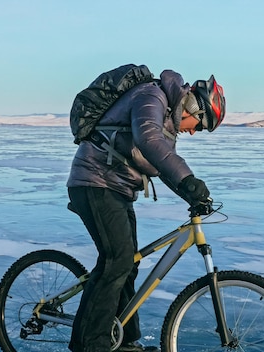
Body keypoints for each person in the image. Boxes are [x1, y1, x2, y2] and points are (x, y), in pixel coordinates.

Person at [66, 68, 226, 352]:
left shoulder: (166, 119)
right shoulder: (151, 96)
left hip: (115, 188)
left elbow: (162, 163)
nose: (192, 131)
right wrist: (189, 181)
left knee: (130, 263)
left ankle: (125, 341)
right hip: (94, 182)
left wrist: (189, 193)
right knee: (117, 261)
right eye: (199, 125)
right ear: (192, 107)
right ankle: (90, 344)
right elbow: (149, 141)